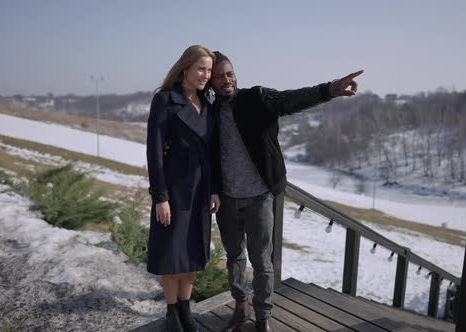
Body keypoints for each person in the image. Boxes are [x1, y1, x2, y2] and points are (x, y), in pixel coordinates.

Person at [210, 51, 363, 332]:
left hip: (258, 197)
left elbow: (292, 100)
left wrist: (330, 89)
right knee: (234, 257)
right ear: (210, 81)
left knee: (261, 262)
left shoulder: (256, 98)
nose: (226, 80)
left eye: (229, 73)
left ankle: (263, 318)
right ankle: (240, 307)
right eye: (219, 76)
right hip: (227, 199)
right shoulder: (209, 110)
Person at [146, 45, 221, 332]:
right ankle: (171, 311)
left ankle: (186, 308)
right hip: (174, 189)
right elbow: (154, 153)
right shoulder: (164, 100)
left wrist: (213, 189)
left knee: (191, 251)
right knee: (170, 251)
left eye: (209, 70)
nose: (205, 75)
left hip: (201, 189)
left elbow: (212, 153)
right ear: (185, 68)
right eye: (201, 69)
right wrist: (160, 197)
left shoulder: (208, 104)